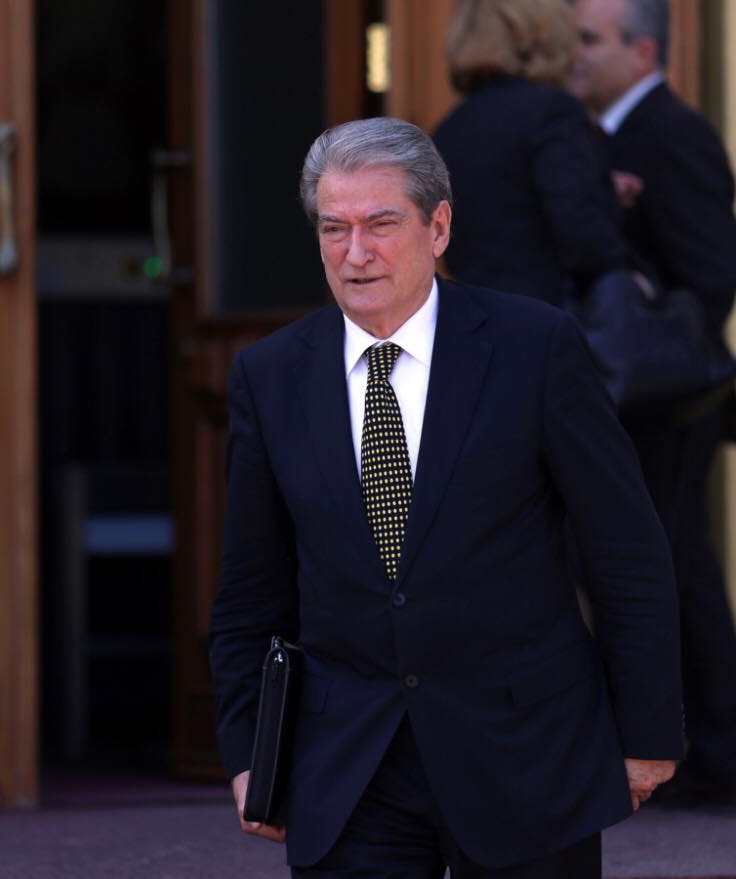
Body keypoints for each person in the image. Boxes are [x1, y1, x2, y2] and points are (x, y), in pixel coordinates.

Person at [209, 117, 682, 878]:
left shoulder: (535, 347)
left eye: (380, 224)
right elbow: (248, 591)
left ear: (438, 227)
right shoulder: (270, 376)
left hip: (525, 755)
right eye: (333, 228)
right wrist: (246, 755)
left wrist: (648, 730)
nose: (355, 253)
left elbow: (625, 550)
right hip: (349, 767)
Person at [571, 0, 736, 802]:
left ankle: (715, 753)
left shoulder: (673, 134)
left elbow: (712, 275)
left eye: (589, 39)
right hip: (639, 395)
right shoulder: (608, 135)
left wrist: (649, 339)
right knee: (669, 560)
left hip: (670, 396)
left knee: (670, 563)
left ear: (642, 52)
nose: (574, 54)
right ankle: (703, 749)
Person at [432, 0, 626, 307]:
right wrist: (635, 277)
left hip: (478, 315)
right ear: (543, 36)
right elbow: (581, 230)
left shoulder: (451, 127)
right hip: (547, 315)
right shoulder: (552, 113)